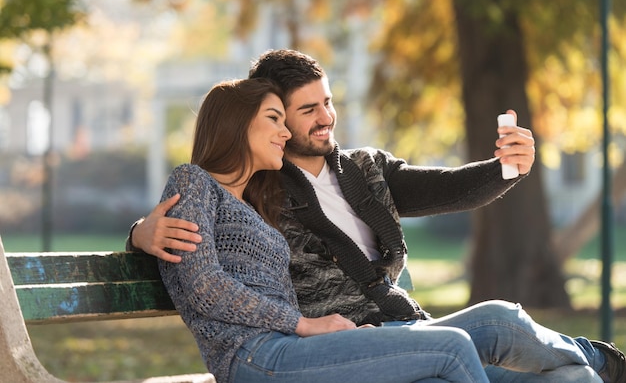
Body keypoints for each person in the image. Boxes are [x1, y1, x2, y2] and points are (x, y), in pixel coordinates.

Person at [130, 50, 625, 383]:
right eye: (302, 111)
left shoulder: (365, 169)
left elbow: (450, 188)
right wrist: (138, 233)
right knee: (463, 349)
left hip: (400, 327)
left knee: (558, 364)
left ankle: (603, 358)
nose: (325, 117)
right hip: (336, 342)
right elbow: (198, 237)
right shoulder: (264, 185)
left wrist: (507, 169)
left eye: (328, 102)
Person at [157, 77, 492, 383]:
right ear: (236, 123)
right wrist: (304, 325)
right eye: (274, 119)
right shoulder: (193, 180)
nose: (286, 133)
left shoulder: (253, 203)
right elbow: (204, 285)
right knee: (452, 346)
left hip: (290, 348)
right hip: (252, 355)